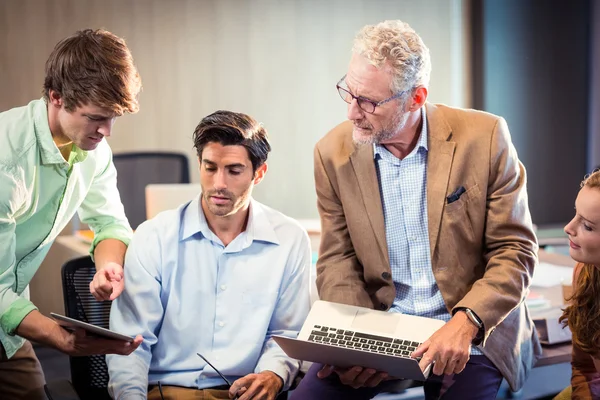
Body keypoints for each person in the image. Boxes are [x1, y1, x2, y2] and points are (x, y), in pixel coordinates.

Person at [290, 20, 540, 400]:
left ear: (416, 98)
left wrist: (467, 320)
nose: (351, 113)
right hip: (382, 329)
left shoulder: (485, 137)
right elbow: (337, 259)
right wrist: (359, 342)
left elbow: (515, 250)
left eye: (368, 102)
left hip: (467, 328)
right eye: (348, 93)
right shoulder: (331, 153)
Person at [106, 110, 311, 400]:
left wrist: (273, 374)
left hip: (244, 394)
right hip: (168, 392)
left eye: (234, 170)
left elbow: (287, 335)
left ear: (259, 173)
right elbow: (131, 344)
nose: (218, 184)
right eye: (210, 167)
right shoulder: (154, 236)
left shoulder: (289, 239)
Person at [0, 29, 144, 399]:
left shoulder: (93, 150)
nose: (106, 131)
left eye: (114, 118)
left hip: (7, 325)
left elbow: (109, 222)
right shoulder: (6, 159)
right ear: (56, 96)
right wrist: (57, 337)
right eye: (97, 117)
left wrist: (108, 266)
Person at [558, 170, 600, 399]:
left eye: (588, 226)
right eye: (576, 214)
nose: (568, 227)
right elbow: (584, 366)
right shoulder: (584, 272)